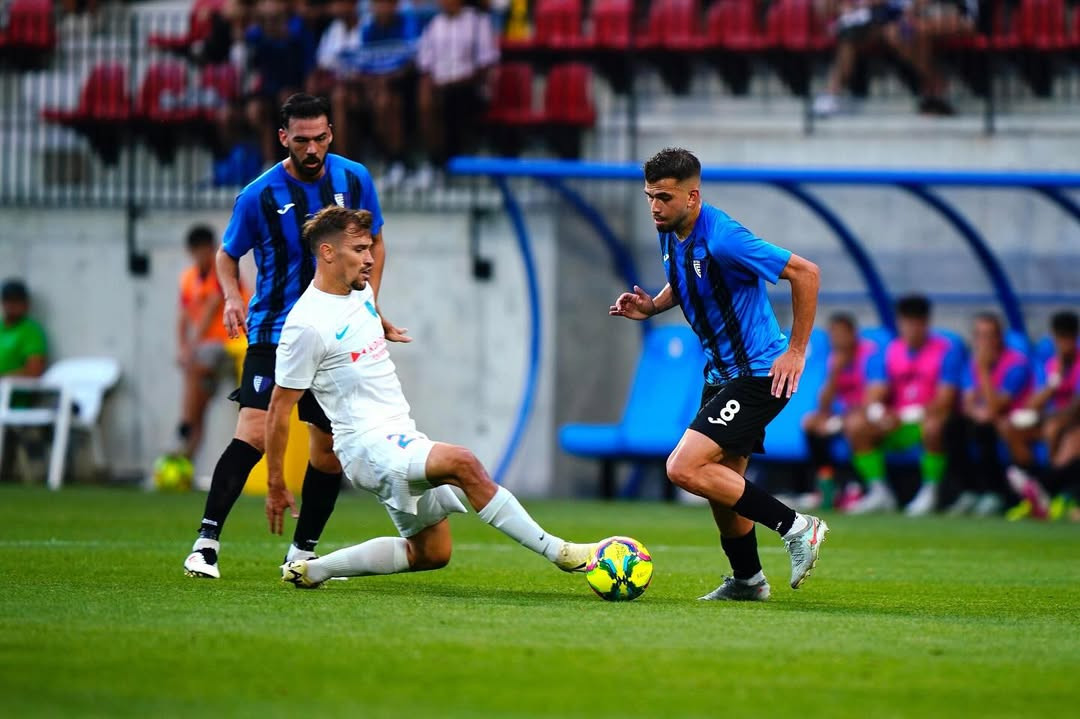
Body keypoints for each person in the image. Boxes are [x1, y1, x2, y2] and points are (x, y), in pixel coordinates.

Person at [268, 207, 597, 586]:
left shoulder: (359, 296)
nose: (371, 258)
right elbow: (279, 408)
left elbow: (361, 319)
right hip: (367, 447)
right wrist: (276, 481)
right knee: (463, 462)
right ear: (327, 253)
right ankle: (562, 553)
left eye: (369, 248)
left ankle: (311, 571)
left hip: (397, 434)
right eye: (360, 250)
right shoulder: (307, 325)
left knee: (430, 553)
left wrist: (380, 324)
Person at [183, 93, 407, 579]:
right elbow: (227, 254)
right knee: (255, 431)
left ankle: (303, 550)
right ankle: (205, 543)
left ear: (331, 134)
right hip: (275, 330)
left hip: (336, 336)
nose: (312, 148)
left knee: (327, 450)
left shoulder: (354, 178)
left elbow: (377, 240)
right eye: (301, 140)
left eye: (320, 138)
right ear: (283, 137)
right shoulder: (258, 194)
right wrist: (231, 296)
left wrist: (370, 305)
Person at [609, 148, 826, 603]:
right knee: (723, 487)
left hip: (760, 373)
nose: (654, 207)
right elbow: (690, 279)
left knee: (683, 467)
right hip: (722, 373)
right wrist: (653, 306)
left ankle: (798, 527)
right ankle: (748, 580)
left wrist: (797, 351)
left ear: (693, 197)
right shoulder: (669, 229)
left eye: (664, 197)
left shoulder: (726, 238)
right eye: (649, 196)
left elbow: (806, 273)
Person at [845, 295, 964, 516]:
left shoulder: (947, 349)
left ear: (926, 323)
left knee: (934, 425)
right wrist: (879, 413)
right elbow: (875, 393)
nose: (912, 329)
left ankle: (931, 491)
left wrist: (906, 415)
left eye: (917, 323)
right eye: (906, 322)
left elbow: (945, 400)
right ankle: (879, 491)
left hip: (925, 421)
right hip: (896, 424)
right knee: (855, 423)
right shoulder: (889, 351)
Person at [946, 313, 1031, 517]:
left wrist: (984, 371)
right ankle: (969, 491)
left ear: (999, 338)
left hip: (1012, 422)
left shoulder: (1015, 364)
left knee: (986, 428)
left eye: (989, 336)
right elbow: (967, 402)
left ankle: (995, 493)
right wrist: (978, 412)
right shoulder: (971, 363)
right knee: (954, 425)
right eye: (979, 336)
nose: (984, 342)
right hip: (982, 417)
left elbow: (997, 406)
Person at [412, 0, 499, 189]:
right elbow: (424, 64)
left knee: (451, 98)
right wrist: (430, 84)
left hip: (469, 86)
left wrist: (452, 83)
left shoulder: (478, 23)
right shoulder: (434, 24)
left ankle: (445, 163)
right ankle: (433, 162)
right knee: (423, 96)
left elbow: (485, 65)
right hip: (440, 85)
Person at [1002, 311, 1080, 520]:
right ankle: (1036, 487)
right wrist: (1055, 381)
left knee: (1062, 434)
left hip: (1072, 423)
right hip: (1050, 419)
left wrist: (1053, 420)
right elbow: (1032, 403)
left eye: (1068, 338)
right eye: (1060, 338)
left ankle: (1042, 491)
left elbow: (1076, 408)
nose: (1064, 343)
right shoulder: (1050, 365)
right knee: (1013, 429)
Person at [800, 313, 878, 511]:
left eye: (841, 334)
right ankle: (826, 483)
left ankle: (858, 486)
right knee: (810, 423)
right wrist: (835, 373)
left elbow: (873, 396)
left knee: (854, 425)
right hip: (843, 415)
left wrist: (842, 418)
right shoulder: (834, 360)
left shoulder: (869, 355)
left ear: (853, 334)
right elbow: (823, 404)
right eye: (833, 335)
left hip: (866, 414)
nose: (837, 340)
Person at [175, 227, 234, 460]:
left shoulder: (223, 271)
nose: (202, 255)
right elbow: (182, 316)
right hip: (206, 348)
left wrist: (189, 349)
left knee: (194, 369)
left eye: (205, 250)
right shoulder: (188, 278)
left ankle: (185, 422)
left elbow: (210, 310)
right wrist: (182, 347)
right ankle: (186, 455)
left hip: (230, 340)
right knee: (201, 402)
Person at [0, 279, 47, 381]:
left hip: (11, 390)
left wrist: (3, 378)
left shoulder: (30, 331)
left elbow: (34, 372)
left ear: (25, 304)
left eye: (17, 301)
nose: (12, 305)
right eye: (8, 300)